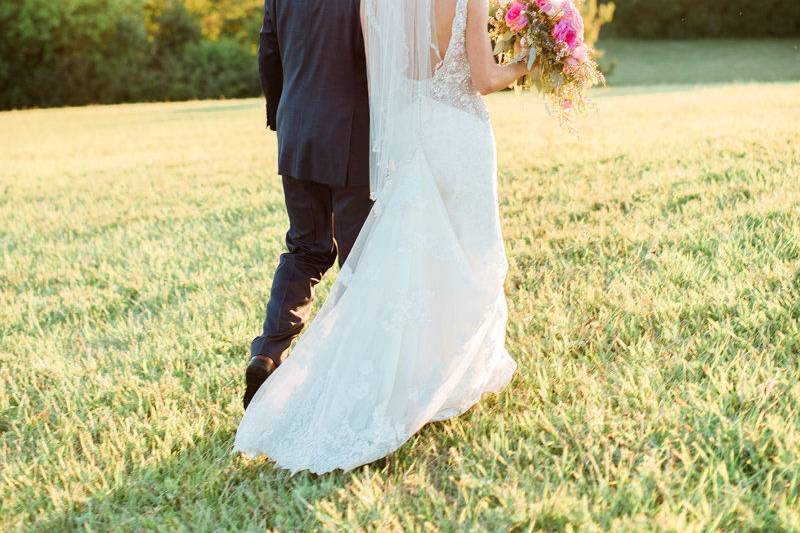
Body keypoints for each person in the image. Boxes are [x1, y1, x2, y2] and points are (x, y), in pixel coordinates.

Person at [235, 0, 530, 474]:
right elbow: (427, 66)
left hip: (297, 132)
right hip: (365, 139)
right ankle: (369, 376)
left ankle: (268, 352)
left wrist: (282, 115)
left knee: (305, 249)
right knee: (364, 265)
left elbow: (269, 51)